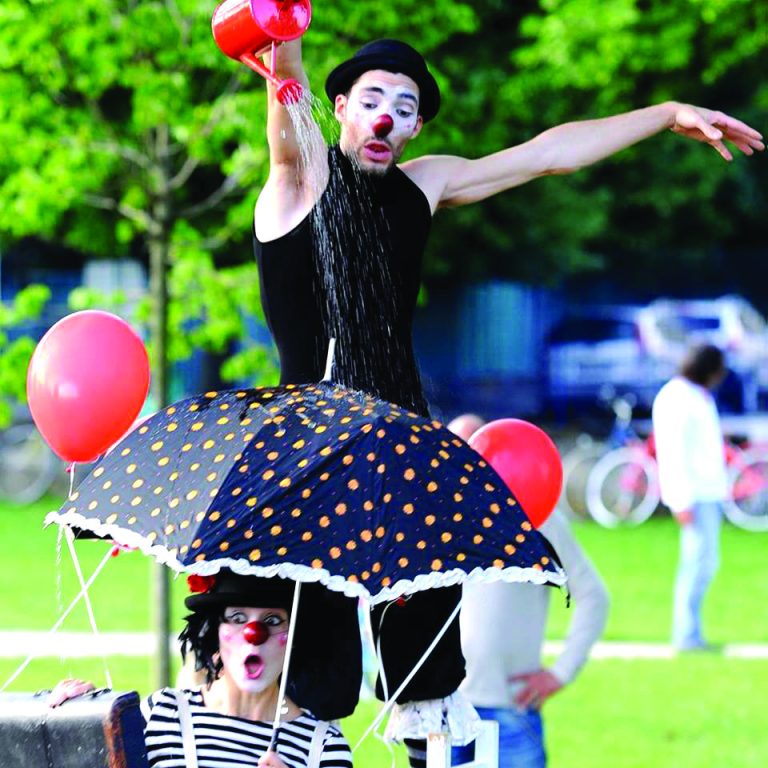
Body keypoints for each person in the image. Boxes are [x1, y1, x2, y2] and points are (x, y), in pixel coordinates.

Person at [253, 34, 762, 766]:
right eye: (371, 103)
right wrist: (285, 43)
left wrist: (666, 111)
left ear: (419, 127)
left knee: (427, 670)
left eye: (405, 107)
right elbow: (285, 115)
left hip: (401, 453)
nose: (387, 118)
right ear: (340, 109)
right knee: (314, 678)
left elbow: (548, 153)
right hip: (313, 456)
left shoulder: (424, 185)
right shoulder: (298, 181)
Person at [50, 571, 353, 768]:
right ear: (213, 635)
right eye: (237, 617)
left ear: (294, 641)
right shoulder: (163, 714)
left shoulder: (323, 748)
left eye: (272, 621)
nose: (254, 634)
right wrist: (77, 727)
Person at [448, 416, 609, 768]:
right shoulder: (438, 520)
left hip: (510, 710)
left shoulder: (537, 515)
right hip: (444, 712)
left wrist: (562, 671)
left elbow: (593, 596)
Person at [652, 344, 729, 652]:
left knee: (705, 562)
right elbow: (673, 453)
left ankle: (691, 632)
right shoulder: (676, 398)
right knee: (696, 564)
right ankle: (686, 635)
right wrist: (680, 500)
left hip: (708, 491)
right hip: (693, 494)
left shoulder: (695, 395)